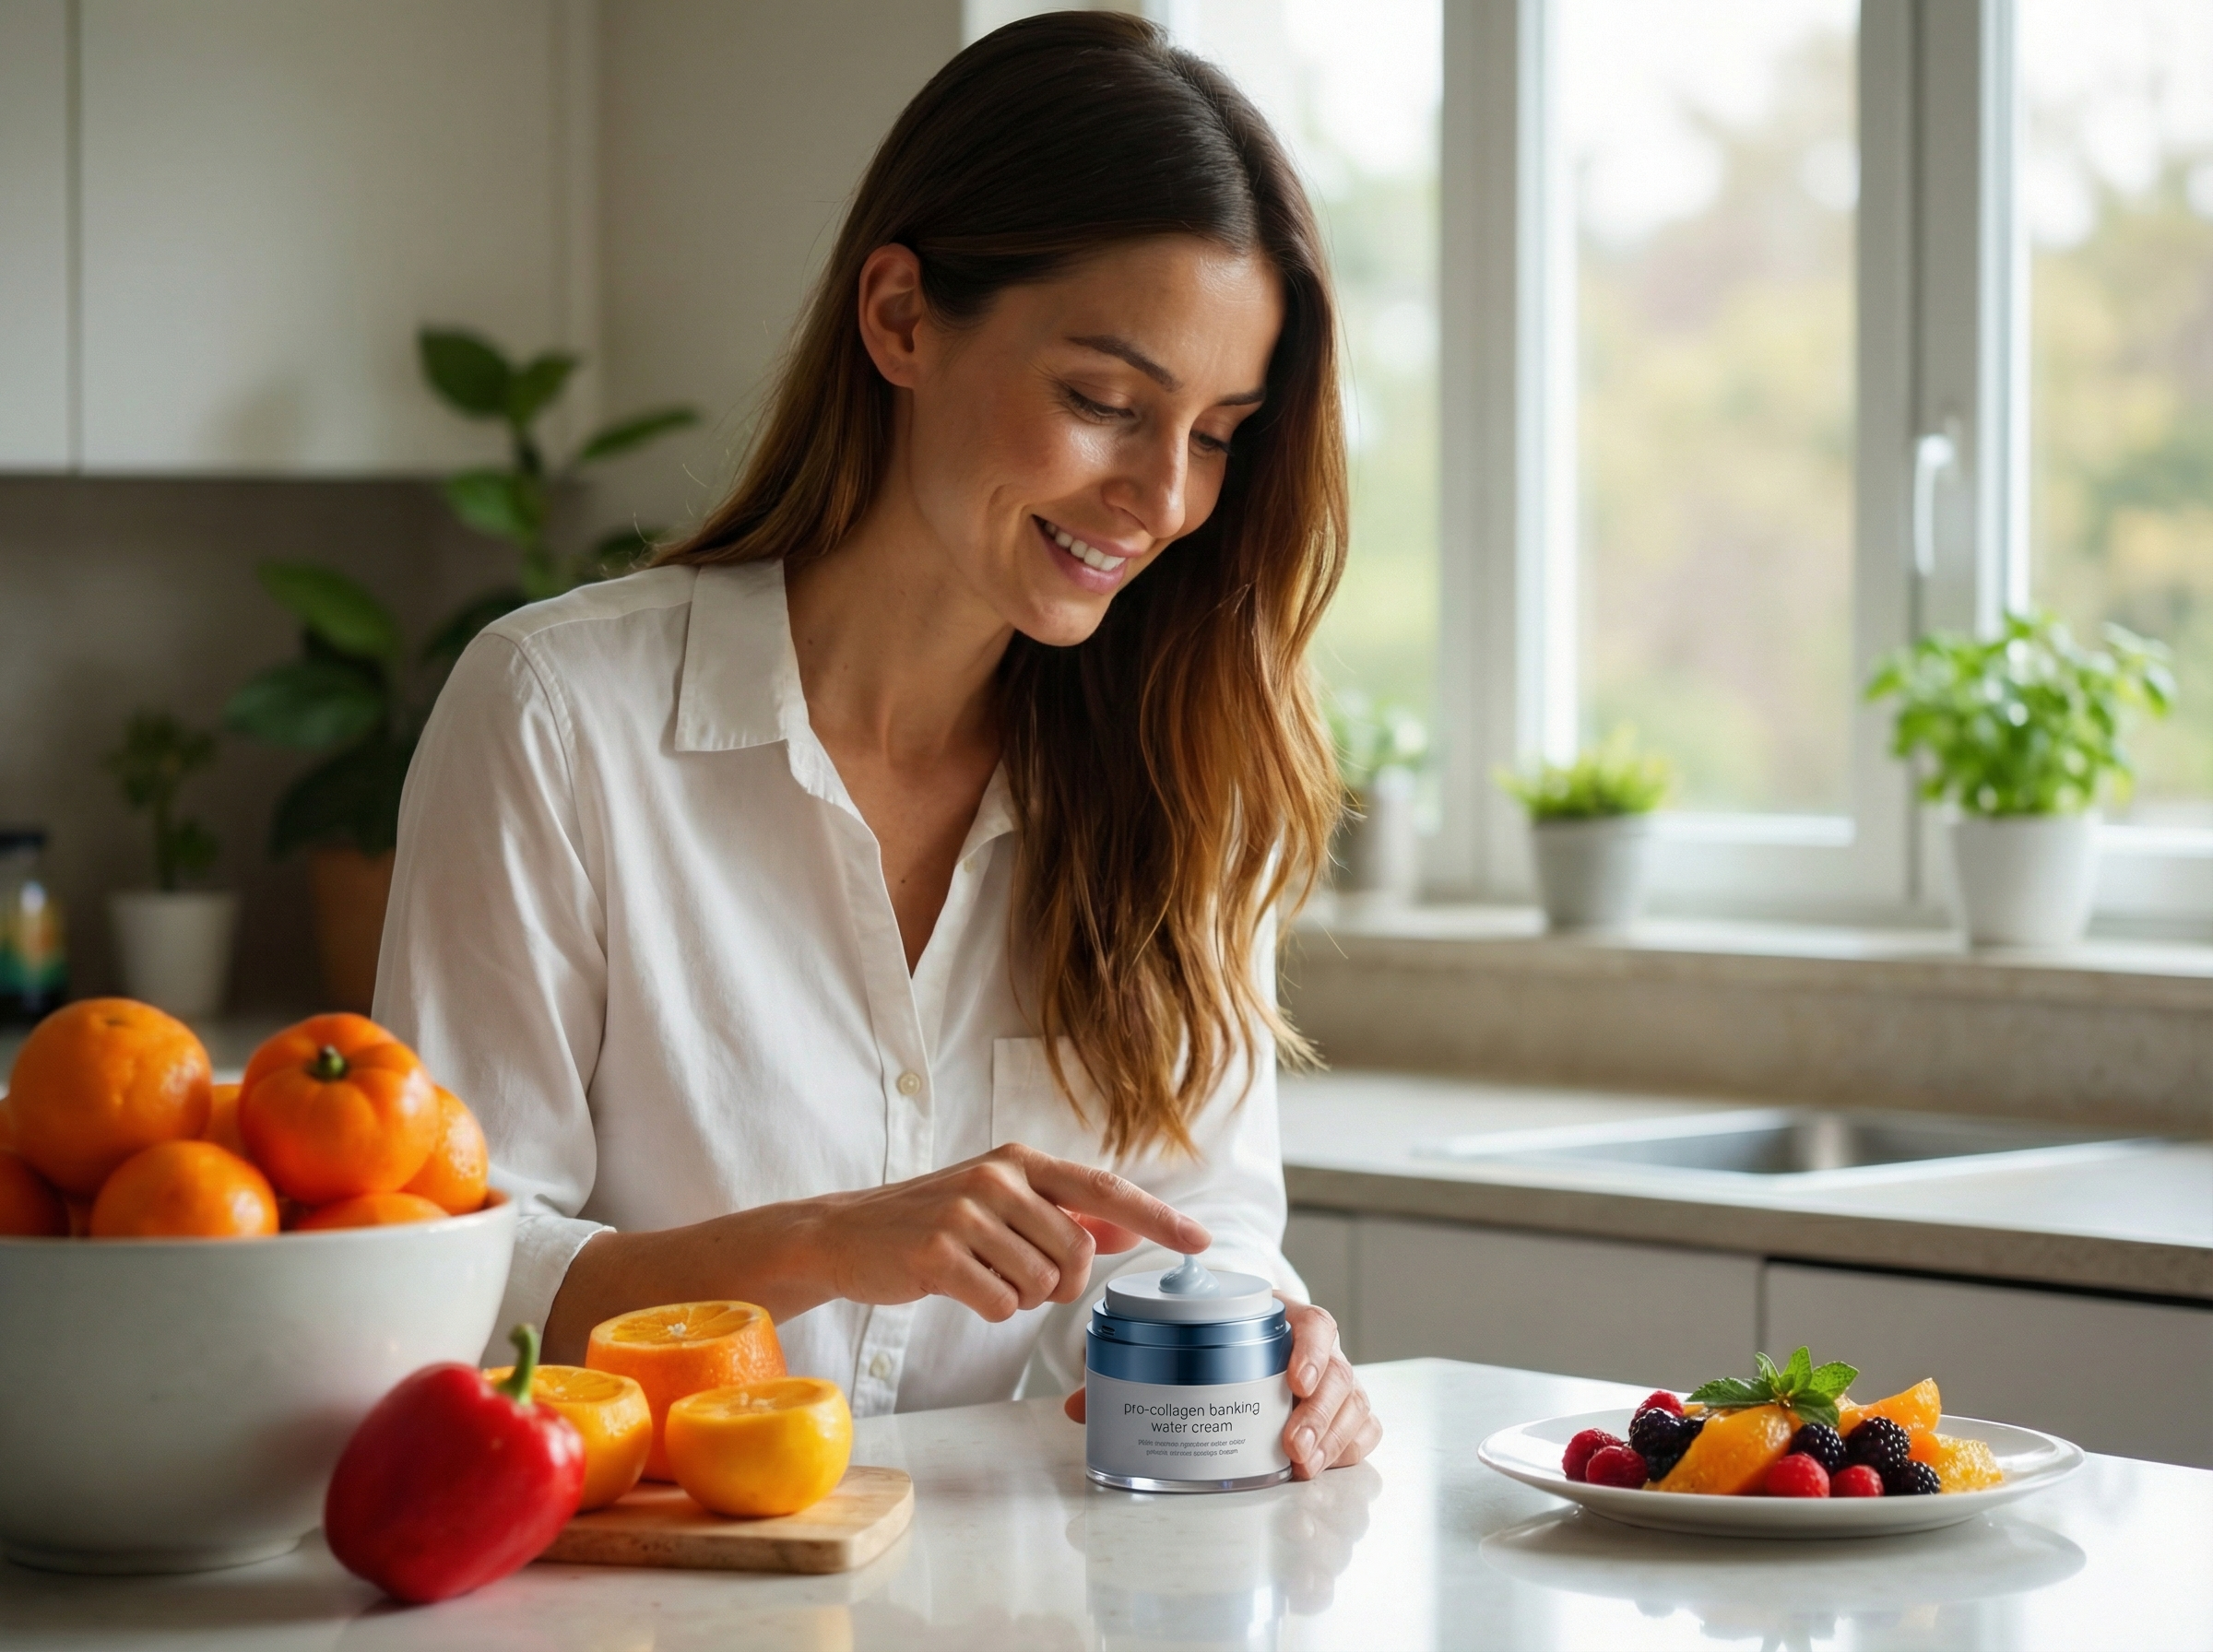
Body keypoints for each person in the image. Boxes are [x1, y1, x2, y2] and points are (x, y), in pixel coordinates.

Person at [376, 11, 1379, 1479]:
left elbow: (1200, 1230)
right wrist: (826, 1244)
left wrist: (1275, 1349)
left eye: (1220, 433)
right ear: (902, 316)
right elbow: (449, 1292)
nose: (1162, 497)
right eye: (1107, 402)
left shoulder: (1189, 772)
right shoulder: (558, 719)